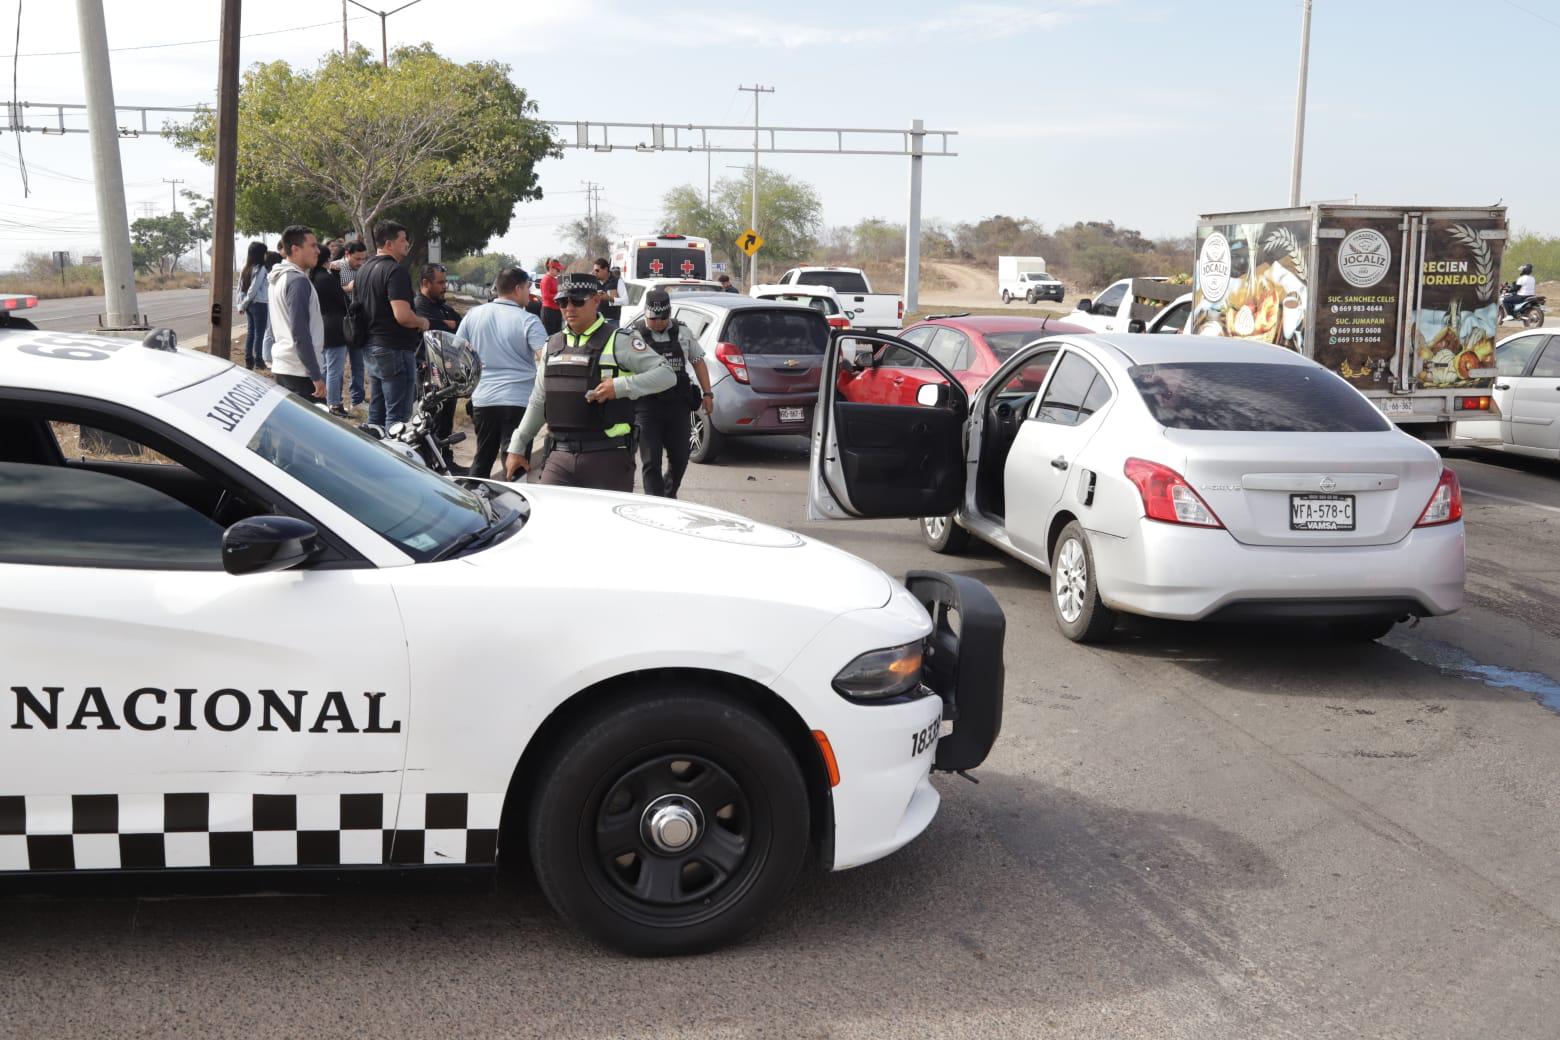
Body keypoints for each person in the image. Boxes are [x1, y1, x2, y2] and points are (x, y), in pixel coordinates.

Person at [503, 272, 675, 491]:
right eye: (563, 302)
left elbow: (667, 374)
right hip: (558, 457)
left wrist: (620, 387)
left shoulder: (619, 340)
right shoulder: (552, 346)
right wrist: (517, 446)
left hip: (607, 458)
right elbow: (538, 400)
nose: (569, 308)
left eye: (577, 301)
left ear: (595, 300)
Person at [459, 266, 548, 479]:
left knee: (483, 458)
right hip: (518, 401)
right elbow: (546, 359)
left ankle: (473, 495)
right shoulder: (528, 320)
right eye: (527, 288)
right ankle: (515, 497)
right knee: (515, 462)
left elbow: (458, 352)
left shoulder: (473, 315)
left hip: (483, 399)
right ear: (518, 289)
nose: (529, 293)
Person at [630, 289, 714, 498]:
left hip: (678, 404)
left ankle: (668, 494)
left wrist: (708, 394)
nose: (658, 322)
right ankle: (656, 502)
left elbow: (698, 361)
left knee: (680, 457)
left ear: (669, 313)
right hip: (647, 406)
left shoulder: (682, 331)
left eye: (663, 318)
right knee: (651, 461)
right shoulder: (633, 334)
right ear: (646, 313)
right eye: (653, 318)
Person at [357, 221, 429, 428]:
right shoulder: (396, 271)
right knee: (397, 418)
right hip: (394, 349)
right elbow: (403, 316)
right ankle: (392, 449)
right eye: (403, 240)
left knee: (376, 413)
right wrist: (422, 322)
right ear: (389, 244)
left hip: (371, 346)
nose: (407, 244)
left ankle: (372, 446)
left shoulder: (363, 270)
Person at [266, 225, 326, 401]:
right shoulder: (297, 281)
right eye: (313, 246)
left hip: (286, 366)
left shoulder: (279, 277)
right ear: (295, 249)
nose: (318, 251)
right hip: (300, 372)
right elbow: (300, 332)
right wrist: (315, 374)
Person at [414, 263, 462, 439]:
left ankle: (444, 454)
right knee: (430, 423)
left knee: (445, 424)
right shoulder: (419, 305)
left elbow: (459, 324)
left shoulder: (443, 307)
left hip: (447, 373)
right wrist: (445, 324)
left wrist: (447, 324)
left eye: (445, 282)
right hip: (428, 374)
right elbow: (434, 330)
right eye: (440, 283)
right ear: (426, 283)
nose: (444, 287)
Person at [309, 240, 352, 415]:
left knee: (327, 366)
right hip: (335, 325)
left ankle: (323, 399)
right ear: (325, 259)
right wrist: (335, 276)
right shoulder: (325, 278)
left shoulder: (313, 276)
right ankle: (334, 403)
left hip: (322, 323)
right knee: (335, 368)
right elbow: (342, 299)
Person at [335, 240, 369, 409]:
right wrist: (347, 288)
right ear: (347, 254)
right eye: (357, 259)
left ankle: (357, 400)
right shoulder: (335, 267)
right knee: (337, 366)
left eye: (363, 258)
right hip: (340, 321)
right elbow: (328, 292)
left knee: (358, 364)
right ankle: (335, 399)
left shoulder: (365, 268)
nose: (360, 262)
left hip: (358, 321)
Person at [237, 241, 269, 369]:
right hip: (259, 304)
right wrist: (244, 304)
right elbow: (254, 289)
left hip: (249, 305)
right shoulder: (261, 268)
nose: (266, 255)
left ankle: (249, 360)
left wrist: (241, 305)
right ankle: (259, 361)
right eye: (265, 253)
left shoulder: (245, 267)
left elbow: (240, 289)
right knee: (259, 333)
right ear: (260, 254)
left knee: (251, 332)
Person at [593, 257, 625, 323]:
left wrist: (609, 298)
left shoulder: (617, 281)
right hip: (596, 321)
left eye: (597, 270)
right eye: (594, 270)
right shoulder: (593, 282)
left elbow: (625, 301)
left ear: (605, 269)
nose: (595, 273)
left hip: (612, 321)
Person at [538, 258, 564, 335]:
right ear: (551, 268)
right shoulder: (546, 279)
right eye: (557, 269)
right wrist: (559, 295)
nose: (559, 271)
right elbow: (546, 296)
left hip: (556, 310)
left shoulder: (554, 279)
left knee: (557, 334)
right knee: (550, 335)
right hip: (549, 311)